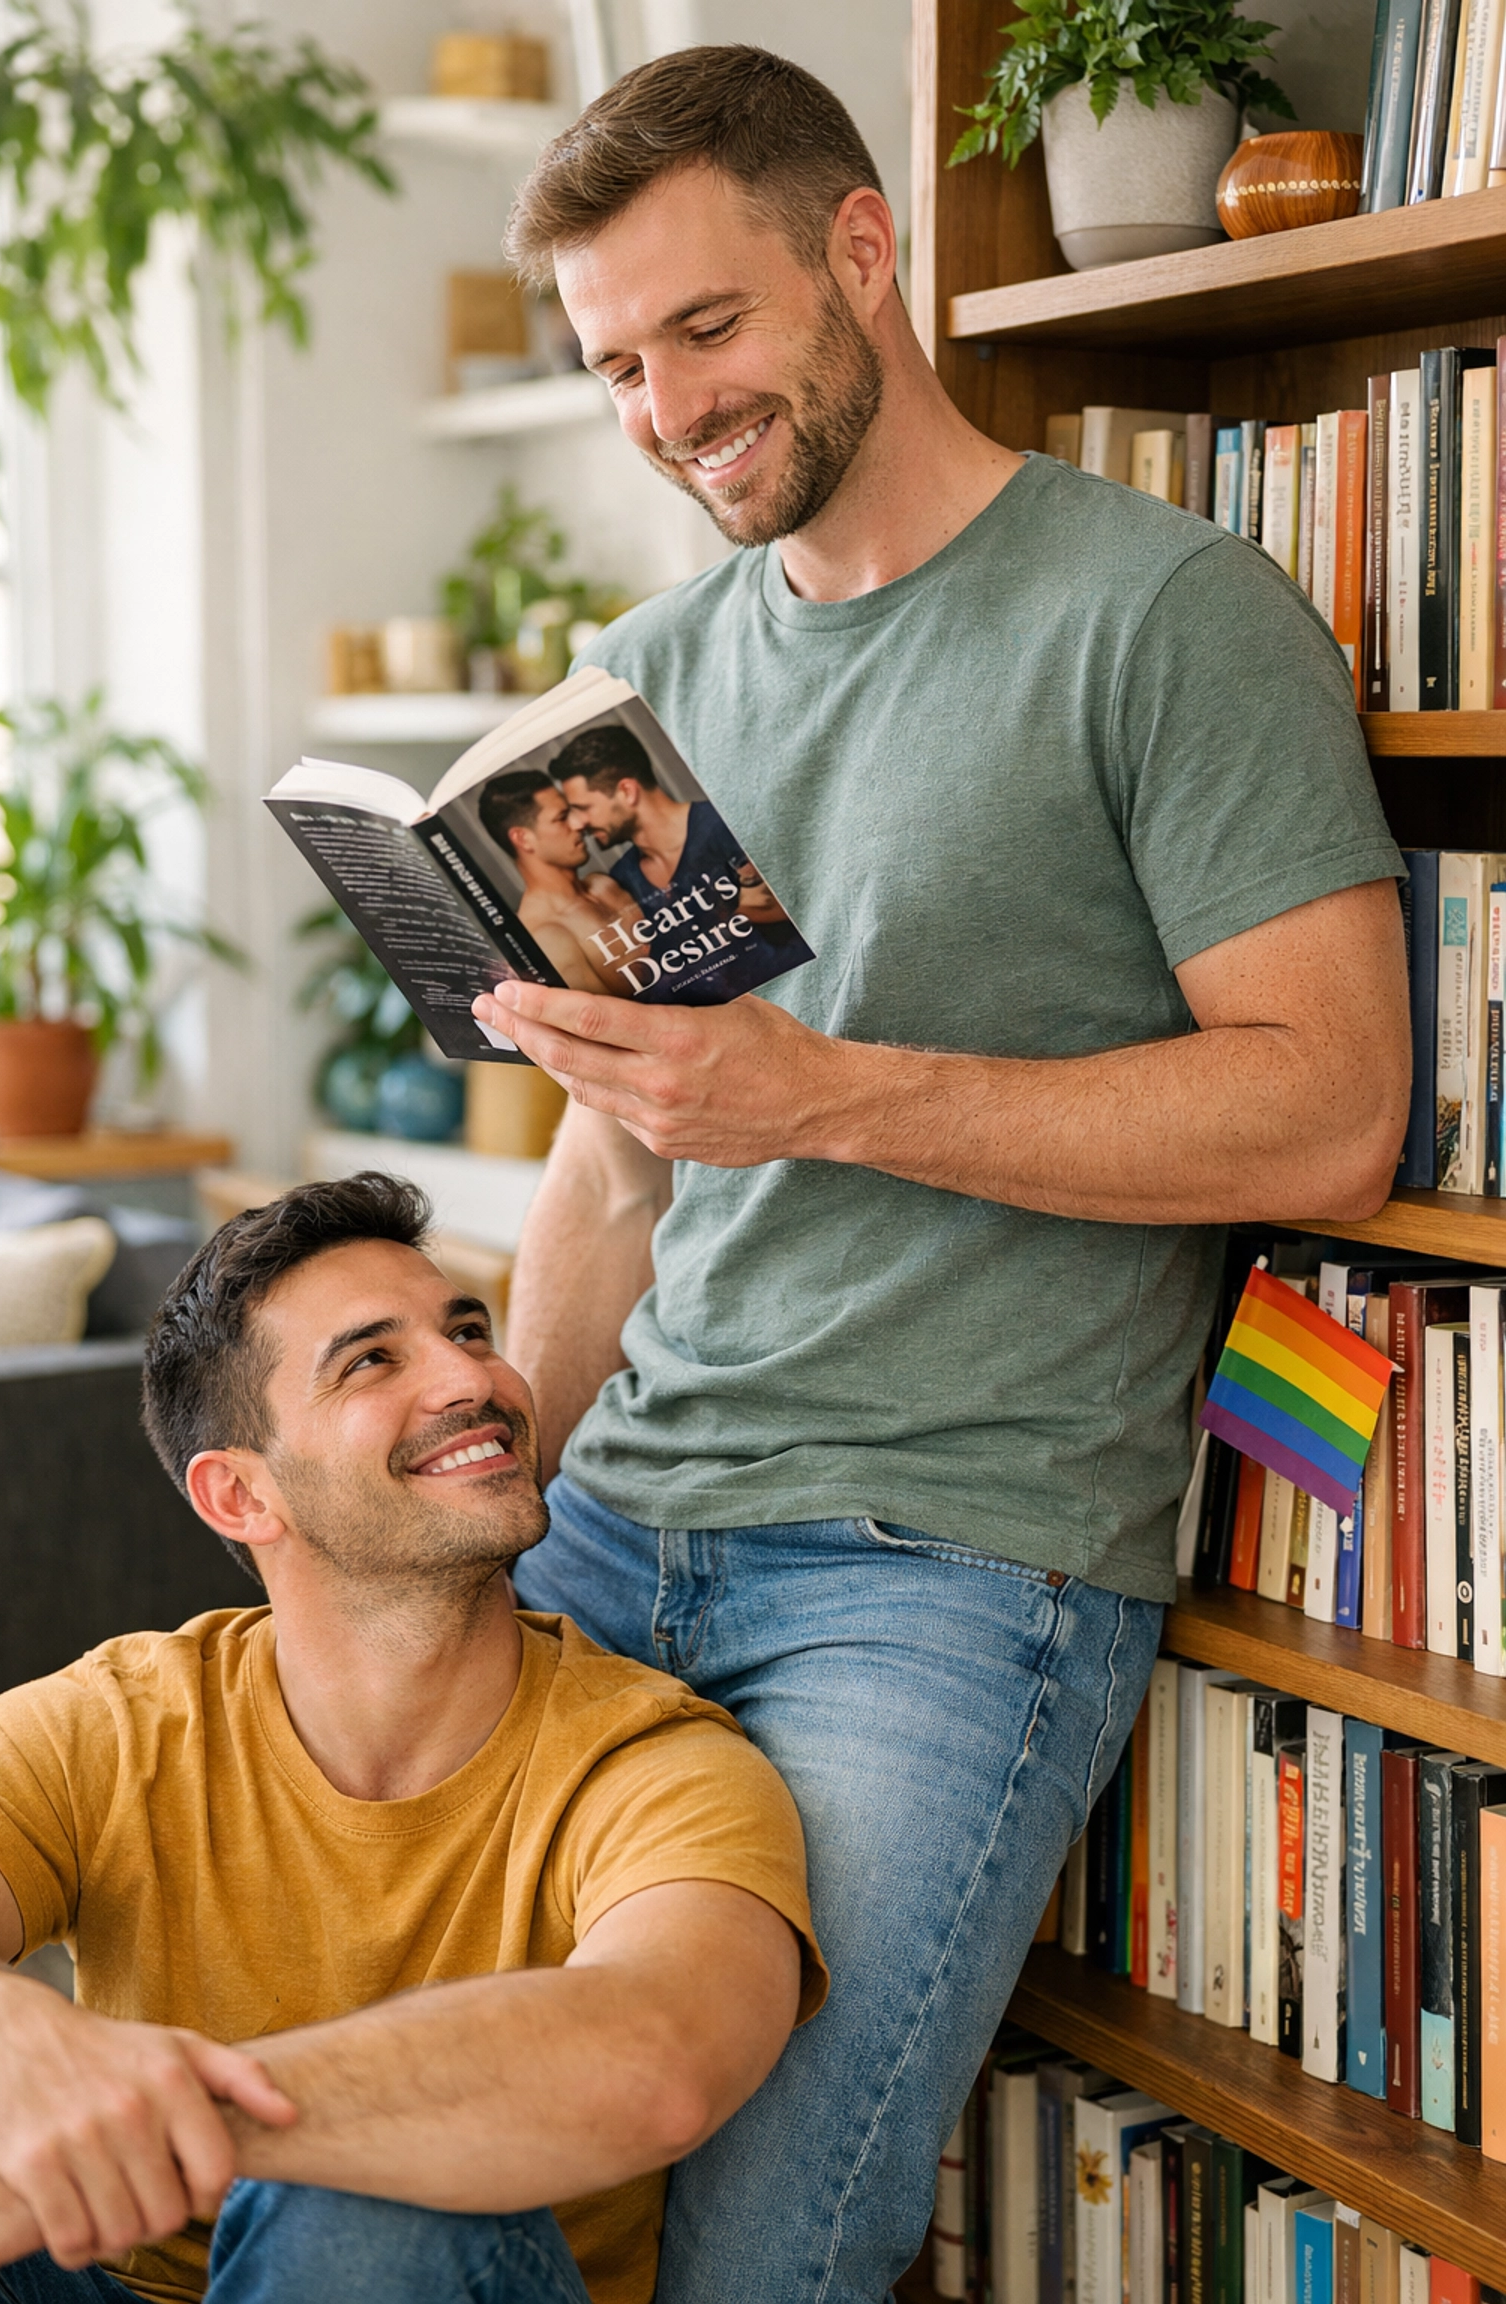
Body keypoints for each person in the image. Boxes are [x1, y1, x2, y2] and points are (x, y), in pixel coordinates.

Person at [460, 42, 1411, 2304]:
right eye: (616, 366)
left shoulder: (1162, 618)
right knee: (415, 2142)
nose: (669, 409)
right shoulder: (646, 677)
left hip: (941, 1564)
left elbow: (1332, 1105)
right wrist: (493, 1476)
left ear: (863, 256)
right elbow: (616, 1171)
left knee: (754, 2248)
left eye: (707, 328)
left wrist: (822, 1095)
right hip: (617, 1523)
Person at [0, 1174, 825, 2304]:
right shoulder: (121, 1722)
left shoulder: (655, 1762)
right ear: (241, 1497)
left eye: (468, 1331)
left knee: (366, 2191)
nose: (474, 1378)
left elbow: (657, 2057)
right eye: (372, 1361)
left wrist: (161, 2120)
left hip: (421, 2276)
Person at [553, 724, 812, 996]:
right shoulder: (622, 879)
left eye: (583, 808)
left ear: (627, 791)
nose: (577, 823)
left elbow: (799, 906)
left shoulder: (726, 825)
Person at [476, 766, 646, 997]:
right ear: (523, 839)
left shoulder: (603, 884)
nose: (579, 823)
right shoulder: (545, 939)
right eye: (562, 818)